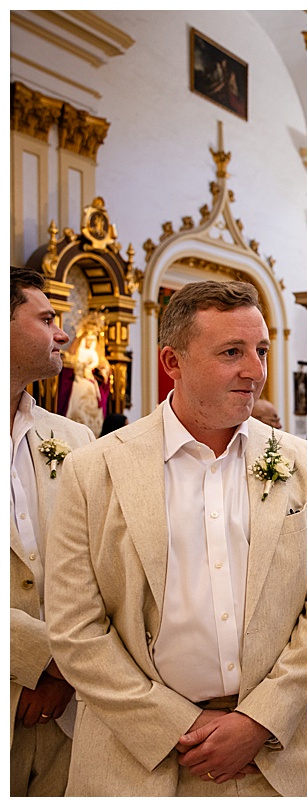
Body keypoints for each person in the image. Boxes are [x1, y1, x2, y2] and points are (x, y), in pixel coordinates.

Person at [44, 280, 307, 796]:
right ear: (173, 361)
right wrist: (174, 724)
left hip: (286, 754)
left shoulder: (304, 462)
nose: (255, 371)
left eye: (261, 351)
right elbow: (76, 627)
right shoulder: (93, 470)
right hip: (139, 761)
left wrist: (259, 720)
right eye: (232, 352)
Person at [9, 268, 96, 796]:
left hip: (68, 711)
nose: (61, 334)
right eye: (45, 319)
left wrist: (65, 677)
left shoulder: (73, 438)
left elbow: (102, 564)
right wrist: (43, 660)